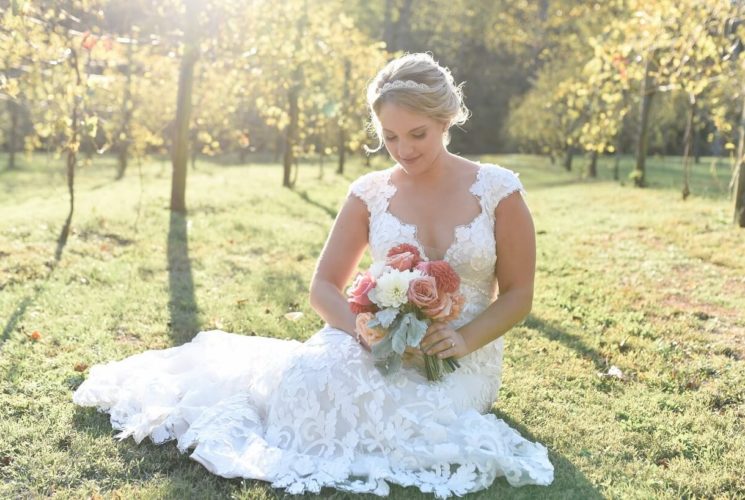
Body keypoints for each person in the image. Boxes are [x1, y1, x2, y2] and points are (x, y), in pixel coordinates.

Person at [73, 52, 554, 497]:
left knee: (409, 416)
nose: (402, 149)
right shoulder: (369, 192)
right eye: (389, 136)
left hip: (457, 354)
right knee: (304, 381)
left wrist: (465, 340)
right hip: (373, 337)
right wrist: (364, 330)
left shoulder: (497, 190)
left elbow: (518, 294)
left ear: (444, 121)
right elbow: (324, 288)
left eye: (417, 134)